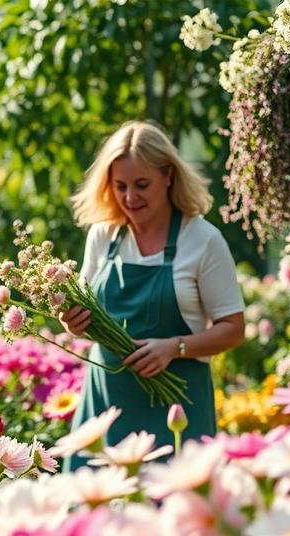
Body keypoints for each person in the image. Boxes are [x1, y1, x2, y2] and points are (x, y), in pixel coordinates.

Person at [58, 120, 245, 457]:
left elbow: (233, 330)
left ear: (168, 176)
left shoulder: (202, 240)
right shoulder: (104, 235)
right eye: (120, 186)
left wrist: (174, 347)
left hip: (178, 408)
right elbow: (84, 319)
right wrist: (72, 322)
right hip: (106, 405)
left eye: (142, 184)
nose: (130, 197)